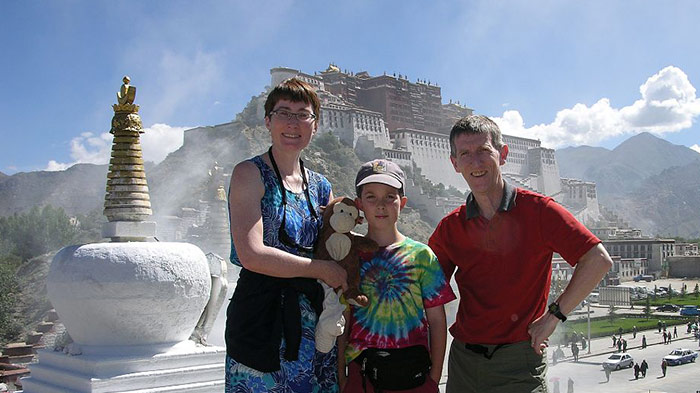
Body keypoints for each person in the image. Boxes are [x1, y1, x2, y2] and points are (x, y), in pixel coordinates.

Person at [429, 115, 613, 392]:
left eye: (483, 151)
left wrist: (554, 317)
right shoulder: (451, 227)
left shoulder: (539, 211)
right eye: (465, 154)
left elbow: (597, 260)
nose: (475, 163)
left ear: (503, 154)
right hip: (464, 362)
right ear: (454, 163)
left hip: (519, 362)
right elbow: (423, 288)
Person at [225, 78, 348, 392]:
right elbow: (252, 254)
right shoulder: (249, 174)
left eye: (302, 114)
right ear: (268, 121)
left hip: (313, 322)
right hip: (260, 317)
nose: (293, 123)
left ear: (314, 125)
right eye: (284, 113)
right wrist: (320, 270)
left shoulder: (321, 186)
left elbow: (336, 244)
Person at [338, 159, 456, 393]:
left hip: (413, 376)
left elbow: (437, 320)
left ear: (402, 203)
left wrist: (433, 379)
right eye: (371, 197)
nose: (381, 205)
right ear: (359, 204)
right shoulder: (349, 256)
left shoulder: (422, 255)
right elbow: (344, 317)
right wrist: (341, 376)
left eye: (390, 197)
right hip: (361, 376)